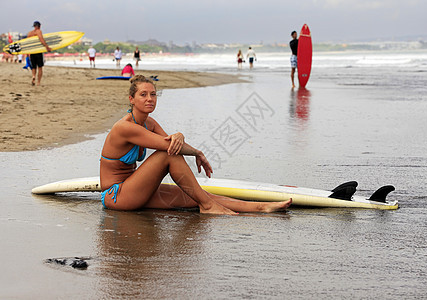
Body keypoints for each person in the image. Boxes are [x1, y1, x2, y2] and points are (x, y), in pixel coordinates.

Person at [100, 75, 292, 214]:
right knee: (168, 155)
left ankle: (261, 207)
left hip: (135, 189)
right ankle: (208, 208)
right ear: (131, 99)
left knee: (198, 195)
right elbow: (170, 148)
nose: (150, 99)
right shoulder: (124, 128)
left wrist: (192, 148)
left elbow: (173, 143)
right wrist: (187, 145)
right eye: (143, 95)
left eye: (153, 94)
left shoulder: (149, 123)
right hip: (117, 196)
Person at [27, 21, 51, 86]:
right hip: (38, 51)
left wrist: (27, 53)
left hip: (32, 52)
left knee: (34, 67)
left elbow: (27, 43)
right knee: (40, 67)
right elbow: (41, 39)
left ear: (34, 26)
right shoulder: (39, 31)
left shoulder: (29, 33)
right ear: (39, 26)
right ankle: (38, 82)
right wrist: (47, 47)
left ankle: (33, 76)